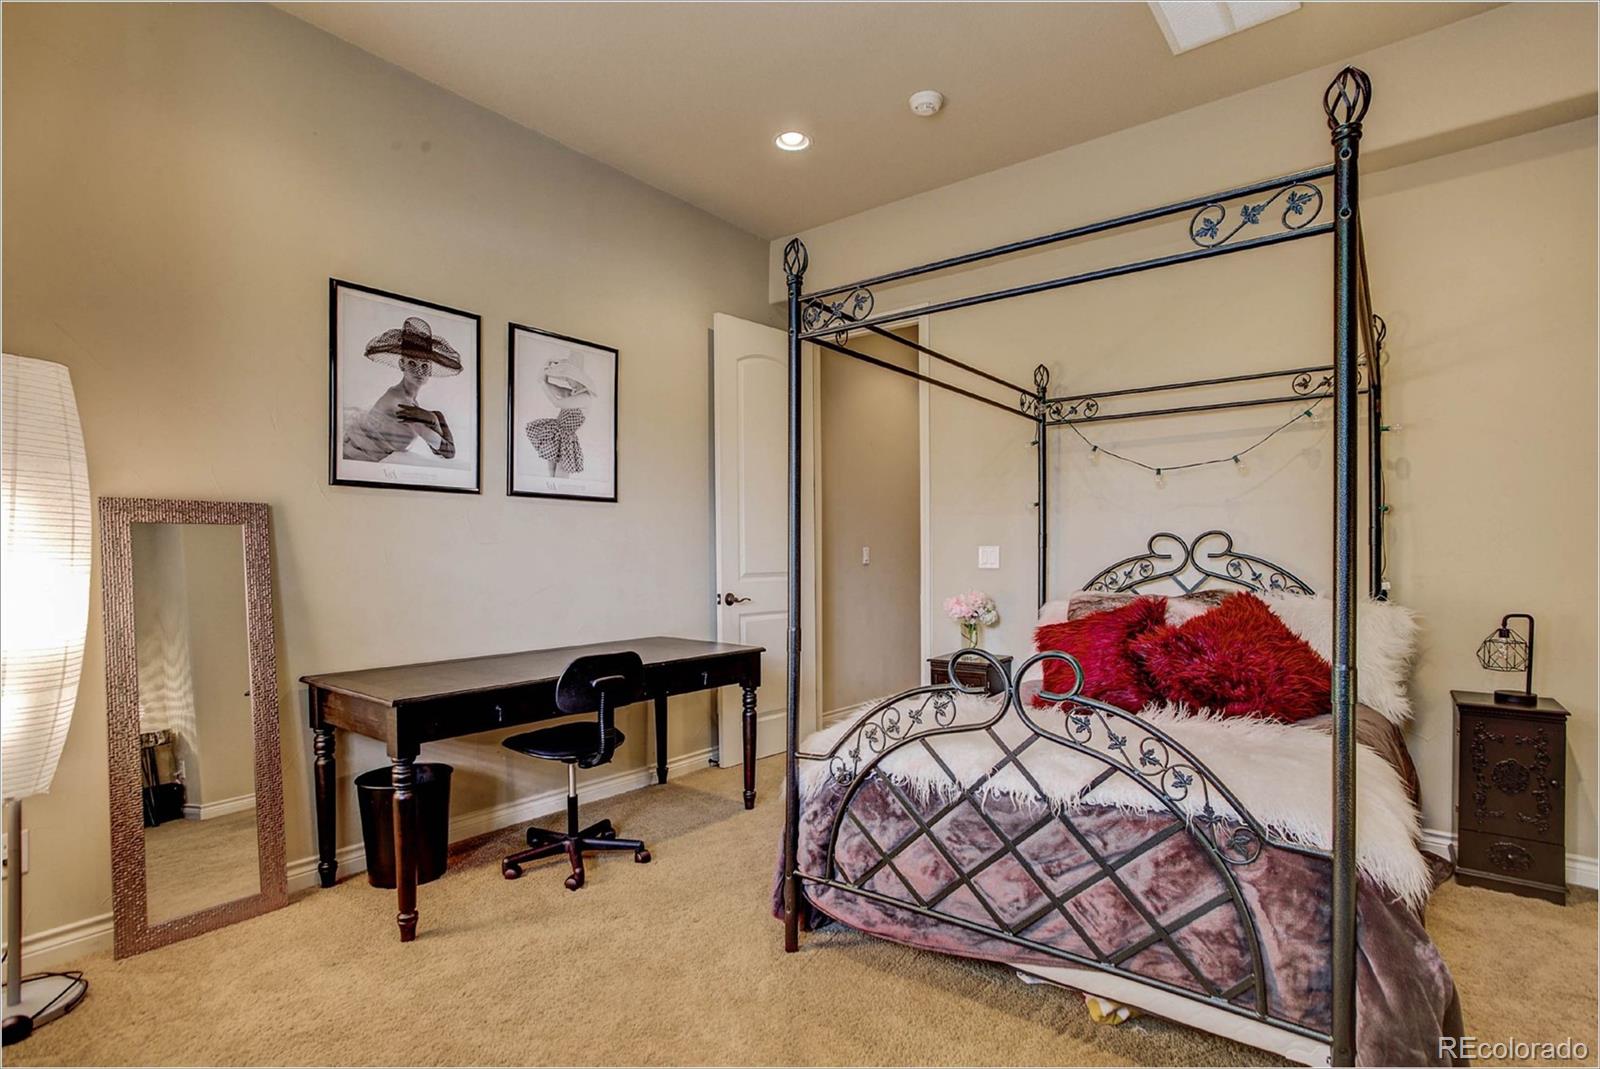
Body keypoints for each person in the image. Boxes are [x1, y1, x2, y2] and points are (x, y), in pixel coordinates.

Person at [342, 316, 461, 463]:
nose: (419, 371)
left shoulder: (407, 400)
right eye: (412, 363)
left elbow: (438, 448)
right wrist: (434, 419)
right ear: (401, 364)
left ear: (430, 370)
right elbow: (448, 452)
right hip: (359, 459)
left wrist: (436, 417)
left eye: (424, 366)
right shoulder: (399, 403)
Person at [525, 348, 596, 479]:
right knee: (551, 476)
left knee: (560, 478)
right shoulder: (572, 393)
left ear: (577, 377)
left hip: (566, 440)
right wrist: (548, 362)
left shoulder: (584, 398)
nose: (567, 380)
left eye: (568, 377)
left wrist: (542, 384)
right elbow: (542, 381)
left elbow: (557, 403)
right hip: (556, 436)